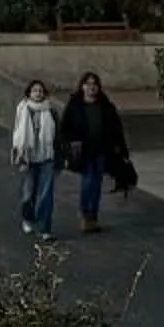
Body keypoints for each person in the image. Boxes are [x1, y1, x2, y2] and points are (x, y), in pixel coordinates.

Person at [58, 71, 131, 234]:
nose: (91, 87)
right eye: (88, 84)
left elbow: (116, 129)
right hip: (84, 150)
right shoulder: (75, 105)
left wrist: (122, 150)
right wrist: (70, 143)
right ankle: (85, 214)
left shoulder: (105, 106)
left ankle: (93, 215)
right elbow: (65, 128)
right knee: (87, 181)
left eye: (94, 84)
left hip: (102, 149)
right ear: (82, 86)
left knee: (96, 183)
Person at [10, 77, 61, 241]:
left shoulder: (51, 111)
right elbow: (18, 132)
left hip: (47, 157)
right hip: (29, 157)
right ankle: (28, 218)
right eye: (34, 91)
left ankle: (44, 228)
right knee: (28, 193)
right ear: (29, 93)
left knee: (46, 195)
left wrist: (60, 156)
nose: (38, 93)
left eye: (40, 91)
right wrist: (19, 154)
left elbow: (58, 135)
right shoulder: (22, 109)